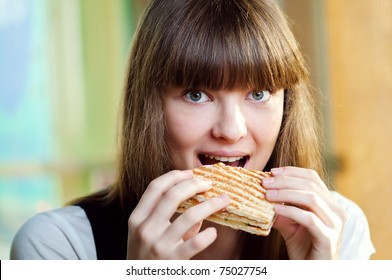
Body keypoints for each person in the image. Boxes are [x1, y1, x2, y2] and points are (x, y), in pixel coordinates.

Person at [11, 0, 375, 260]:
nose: (231, 130)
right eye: (196, 94)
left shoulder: (338, 230)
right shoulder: (59, 246)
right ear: (149, 104)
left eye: (259, 93)